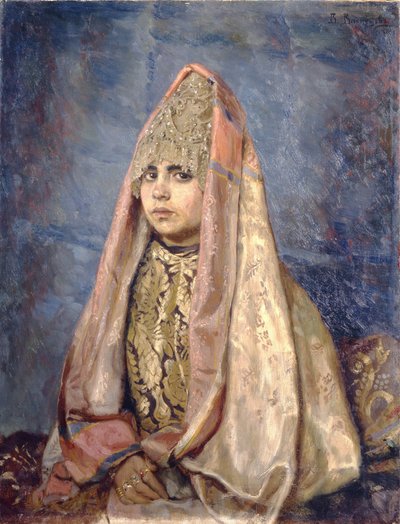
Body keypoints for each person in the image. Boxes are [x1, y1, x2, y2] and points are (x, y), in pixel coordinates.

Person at [34, 64, 361, 523]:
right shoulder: (125, 278)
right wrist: (122, 459)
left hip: (217, 470)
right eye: (150, 174)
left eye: (182, 174)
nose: (159, 191)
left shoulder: (263, 295)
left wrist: (170, 457)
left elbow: (261, 435)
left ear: (217, 187)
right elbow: (94, 397)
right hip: (138, 459)